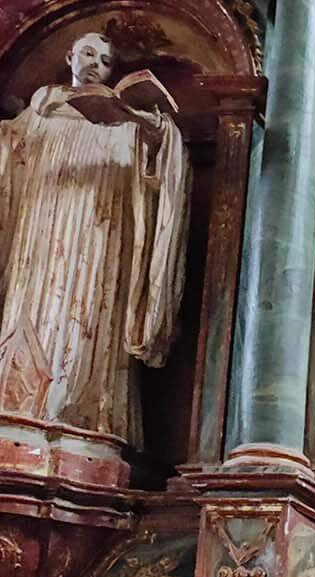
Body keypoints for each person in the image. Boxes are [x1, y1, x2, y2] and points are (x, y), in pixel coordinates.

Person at [0, 31, 190, 443]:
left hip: (99, 245)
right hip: (36, 242)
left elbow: (165, 168)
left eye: (105, 61)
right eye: (88, 53)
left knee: (88, 323)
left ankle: (84, 420)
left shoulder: (125, 120)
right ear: (70, 55)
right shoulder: (39, 111)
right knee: (28, 312)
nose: (94, 64)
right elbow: (8, 158)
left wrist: (145, 123)